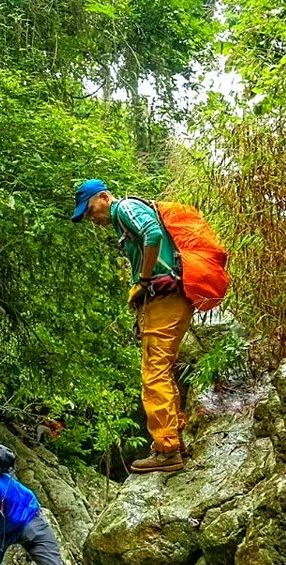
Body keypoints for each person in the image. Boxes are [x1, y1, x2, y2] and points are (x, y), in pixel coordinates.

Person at [73, 179, 193, 474]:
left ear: (103, 197)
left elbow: (152, 234)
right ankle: (174, 434)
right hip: (163, 300)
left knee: (154, 372)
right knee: (160, 368)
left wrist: (143, 278)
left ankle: (167, 450)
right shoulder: (121, 222)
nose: (92, 219)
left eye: (90, 211)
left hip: (165, 297)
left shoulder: (124, 207)